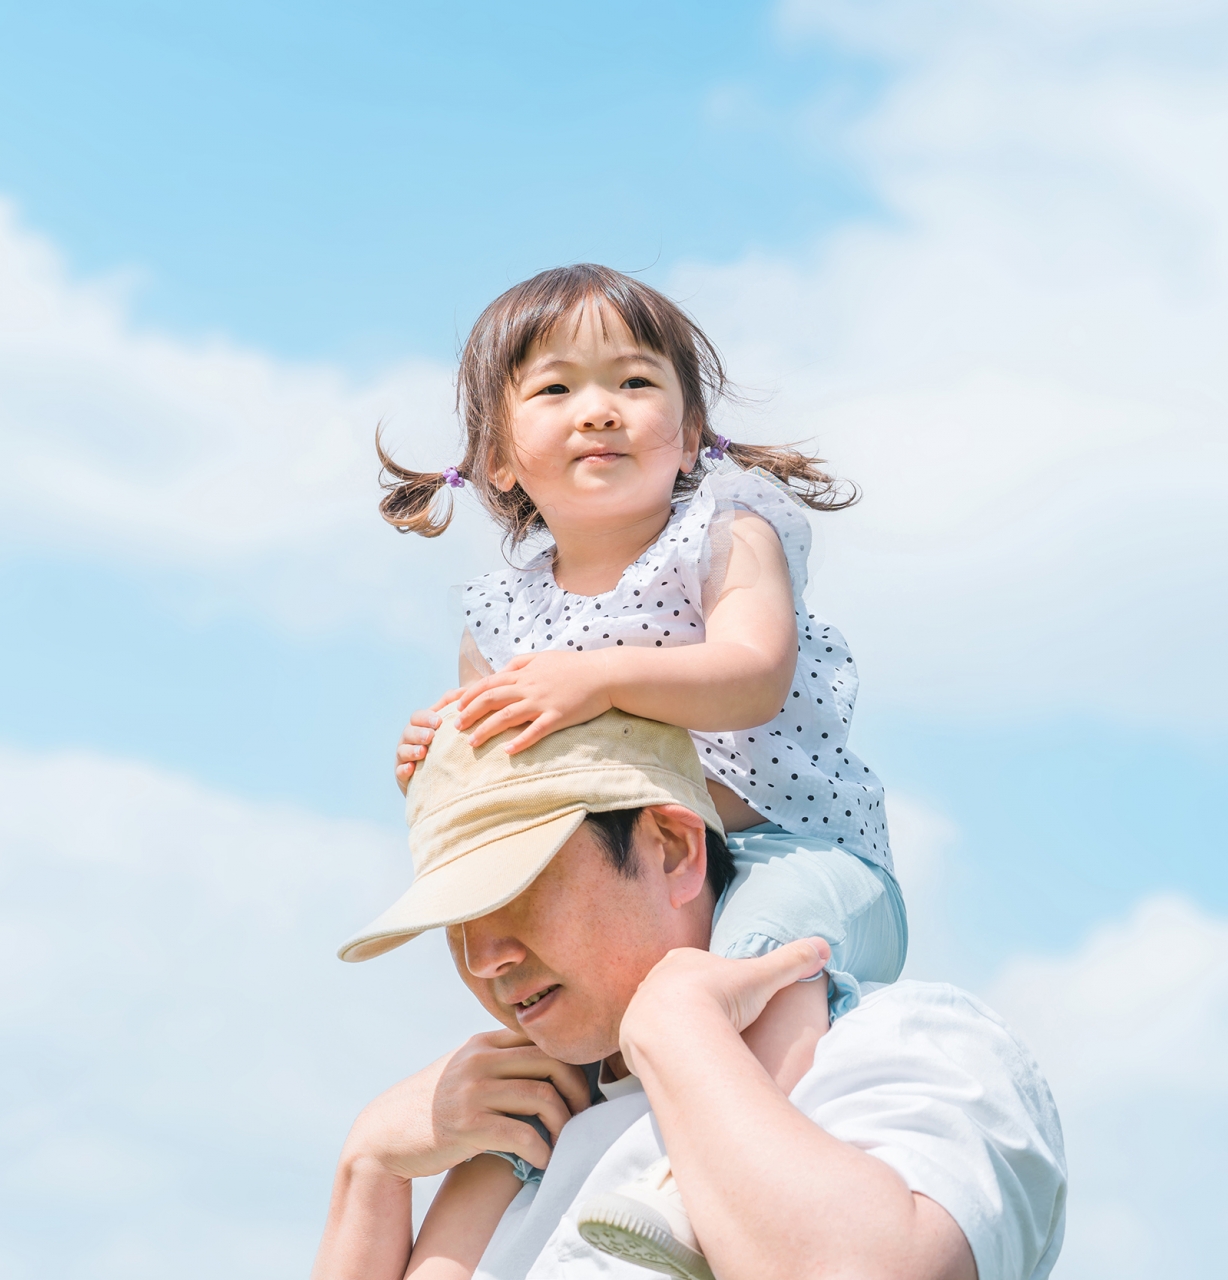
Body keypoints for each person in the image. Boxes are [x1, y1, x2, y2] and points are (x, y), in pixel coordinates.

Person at [379, 264, 904, 1270]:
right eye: (556, 389)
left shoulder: (724, 531)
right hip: (644, 883)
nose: (600, 412)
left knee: (756, 969)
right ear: (496, 456)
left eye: (634, 382)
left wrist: (594, 676)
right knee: (553, 1067)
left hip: (786, 848)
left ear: (690, 426)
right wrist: (437, 744)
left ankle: (713, 1174)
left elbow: (752, 673)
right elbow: (505, 758)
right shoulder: (501, 611)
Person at [312, 710, 1066, 1280]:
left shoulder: (912, 1045)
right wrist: (369, 1170)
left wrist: (679, 1033)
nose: (484, 960)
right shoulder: (511, 1142)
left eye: (517, 892)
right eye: (455, 924)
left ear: (673, 849)